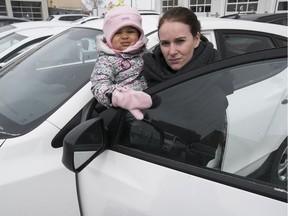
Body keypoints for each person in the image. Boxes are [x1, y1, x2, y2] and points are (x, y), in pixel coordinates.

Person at [139, 7, 233, 166]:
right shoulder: (145, 71)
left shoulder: (212, 95)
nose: (172, 51)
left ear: (196, 39)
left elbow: (199, 155)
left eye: (180, 41)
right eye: (165, 43)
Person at [90, 6, 152, 120]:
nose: (124, 36)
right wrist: (119, 97)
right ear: (109, 37)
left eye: (130, 31)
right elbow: (99, 85)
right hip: (124, 115)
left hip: (152, 110)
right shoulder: (107, 59)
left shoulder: (146, 54)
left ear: (139, 34)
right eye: (118, 33)